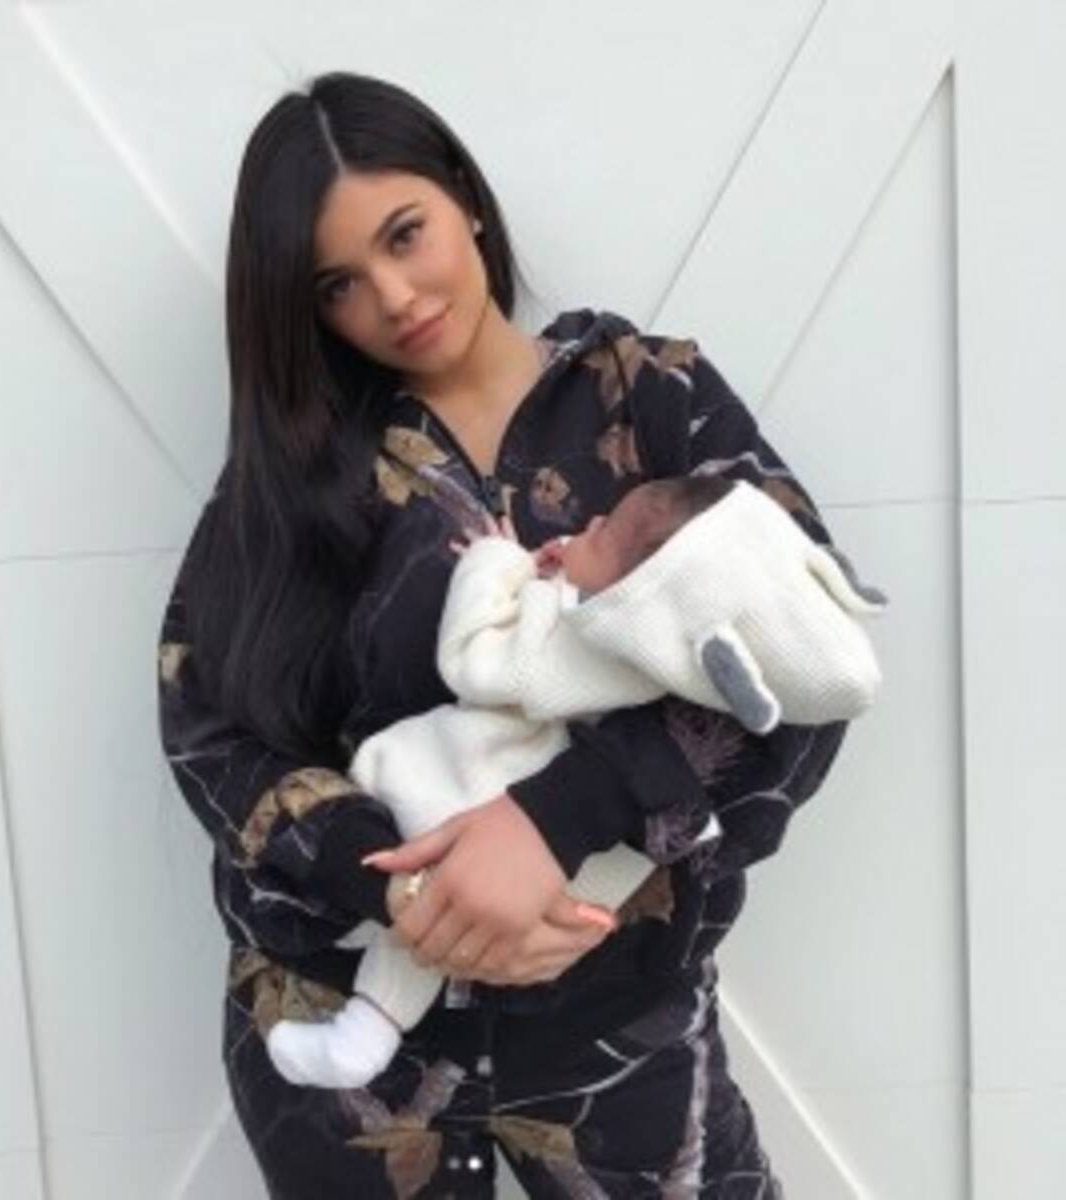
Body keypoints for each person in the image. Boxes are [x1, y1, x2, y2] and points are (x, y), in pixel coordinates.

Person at [157, 68, 861, 1198]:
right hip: (349, 1064)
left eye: (406, 234)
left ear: (465, 198)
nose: (394, 297)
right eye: (339, 284)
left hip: (619, 1045)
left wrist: (556, 817)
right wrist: (408, 895)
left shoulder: (652, 400)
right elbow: (209, 732)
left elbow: (810, 662)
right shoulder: (292, 478)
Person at [263, 477, 886, 1089]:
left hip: (480, 804)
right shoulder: (684, 662)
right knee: (449, 924)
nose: (586, 524)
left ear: (632, 593)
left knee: (433, 897)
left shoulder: (576, 643)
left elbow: (473, 659)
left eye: (603, 533)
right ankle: (367, 1018)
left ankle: (366, 1027)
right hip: (596, 891)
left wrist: (496, 562)